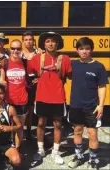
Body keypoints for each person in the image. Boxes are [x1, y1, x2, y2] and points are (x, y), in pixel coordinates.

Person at [28, 32, 72, 164]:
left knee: (57, 124)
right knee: (41, 123)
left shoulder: (65, 59)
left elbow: (70, 75)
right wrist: (33, 80)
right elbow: (29, 73)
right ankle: (40, 149)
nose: (51, 43)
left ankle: (55, 151)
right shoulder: (37, 58)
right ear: (44, 44)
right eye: (47, 41)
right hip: (41, 96)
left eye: (53, 41)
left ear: (58, 43)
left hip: (58, 97)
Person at [67, 37, 108, 169]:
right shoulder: (73, 64)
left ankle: (93, 160)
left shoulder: (99, 66)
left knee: (92, 134)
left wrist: (101, 105)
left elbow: (102, 87)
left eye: (87, 49)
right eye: (81, 49)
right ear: (77, 50)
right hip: (75, 105)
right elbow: (57, 62)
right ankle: (78, 157)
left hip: (92, 107)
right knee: (77, 131)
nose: (84, 51)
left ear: (91, 50)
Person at [0, 40, 28, 150]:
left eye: (18, 48)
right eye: (13, 48)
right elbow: (2, 80)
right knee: (8, 127)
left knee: (19, 127)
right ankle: (8, 148)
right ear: (10, 49)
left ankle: (17, 148)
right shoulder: (5, 63)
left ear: (21, 50)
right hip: (8, 100)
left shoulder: (25, 63)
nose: (15, 51)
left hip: (22, 100)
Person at [21, 31, 40, 140]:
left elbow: (43, 67)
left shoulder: (38, 53)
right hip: (23, 82)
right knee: (23, 107)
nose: (28, 42)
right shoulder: (20, 53)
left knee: (31, 107)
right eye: (26, 40)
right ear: (23, 41)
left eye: (30, 39)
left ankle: (29, 129)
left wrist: (39, 78)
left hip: (35, 83)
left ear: (34, 41)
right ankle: (21, 129)